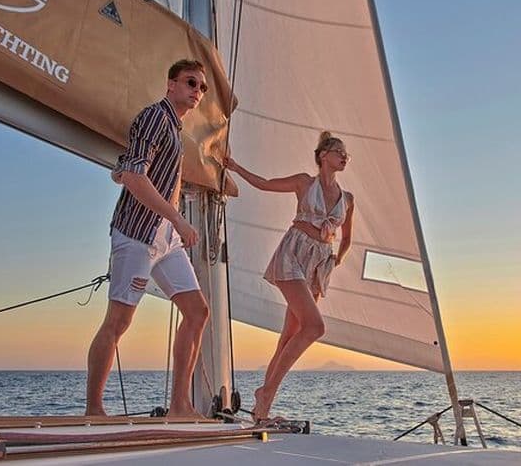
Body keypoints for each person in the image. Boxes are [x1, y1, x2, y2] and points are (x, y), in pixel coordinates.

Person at [85, 59, 211, 418]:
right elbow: (135, 177)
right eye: (191, 82)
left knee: (197, 312)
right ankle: (94, 409)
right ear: (171, 84)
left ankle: (180, 406)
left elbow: (130, 169)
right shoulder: (155, 117)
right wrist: (179, 219)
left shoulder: (173, 127)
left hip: (166, 238)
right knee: (118, 322)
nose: (197, 91)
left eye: (202, 87)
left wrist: (174, 218)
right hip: (137, 233)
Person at [224, 131, 354, 424]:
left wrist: (336, 259)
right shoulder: (304, 183)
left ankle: (262, 411)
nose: (344, 157)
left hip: (319, 264)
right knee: (315, 326)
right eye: (339, 152)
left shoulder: (348, 199)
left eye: (347, 155)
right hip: (293, 255)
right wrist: (235, 167)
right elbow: (265, 184)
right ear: (323, 156)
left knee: (289, 337)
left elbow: (346, 239)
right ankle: (266, 392)